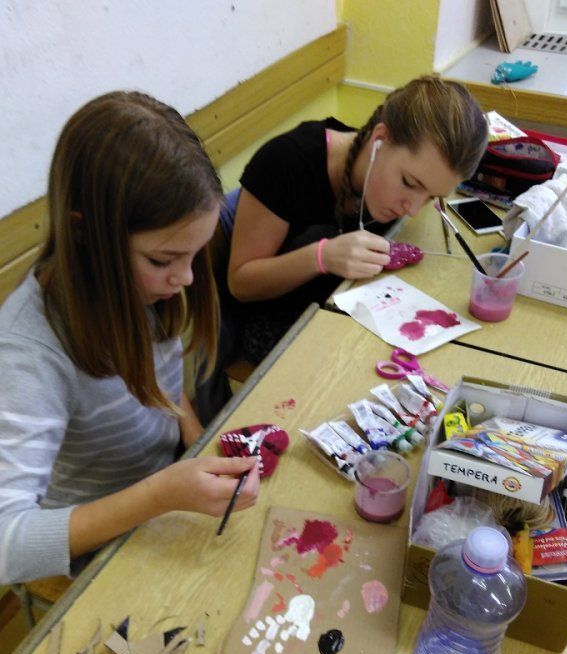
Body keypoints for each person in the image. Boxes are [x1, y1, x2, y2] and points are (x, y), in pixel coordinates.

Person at [0, 91, 260, 585]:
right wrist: (160, 494)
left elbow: (162, 386)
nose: (185, 278)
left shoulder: (141, 286)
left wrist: (198, 445)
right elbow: (5, 545)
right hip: (97, 547)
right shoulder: (27, 354)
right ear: (85, 233)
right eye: (163, 260)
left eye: (194, 255)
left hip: (161, 498)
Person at [194, 74, 488, 415]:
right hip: (268, 322)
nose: (412, 208)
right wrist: (321, 256)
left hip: (336, 310)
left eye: (431, 197)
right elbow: (241, 282)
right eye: (409, 183)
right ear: (379, 140)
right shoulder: (287, 163)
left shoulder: (384, 176)